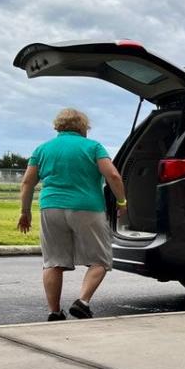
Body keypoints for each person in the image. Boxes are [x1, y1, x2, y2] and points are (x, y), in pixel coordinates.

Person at [17, 108, 127, 321]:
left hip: (51, 207)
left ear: (58, 125)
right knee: (100, 260)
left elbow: (27, 182)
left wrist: (25, 212)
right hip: (87, 207)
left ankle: (54, 312)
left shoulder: (42, 149)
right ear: (83, 127)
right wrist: (122, 201)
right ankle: (82, 302)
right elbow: (113, 175)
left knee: (53, 262)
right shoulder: (93, 147)